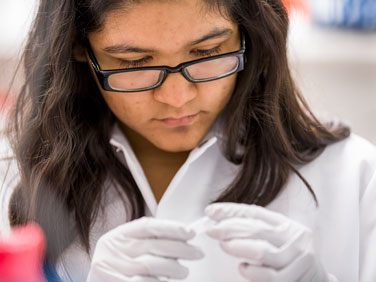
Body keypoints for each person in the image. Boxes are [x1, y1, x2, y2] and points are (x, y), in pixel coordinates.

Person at [2, 0, 376, 281]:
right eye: (134, 62)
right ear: (79, 49)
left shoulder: (355, 176)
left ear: (250, 34)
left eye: (207, 52)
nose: (177, 97)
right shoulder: (10, 178)